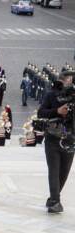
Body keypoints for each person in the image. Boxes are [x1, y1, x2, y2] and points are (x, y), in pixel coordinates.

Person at [38, 71, 74, 213]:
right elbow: (41, 112)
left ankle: (53, 198)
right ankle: (55, 201)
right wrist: (57, 111)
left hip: (70, 139)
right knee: (54, 170)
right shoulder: (51, 95)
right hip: (53, 138)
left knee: (64, 173)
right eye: (69, 81)